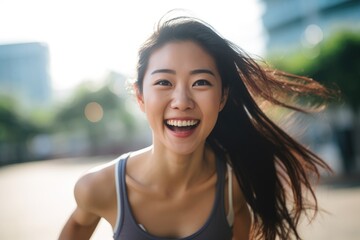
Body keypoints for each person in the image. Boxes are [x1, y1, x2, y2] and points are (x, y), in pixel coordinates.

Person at [59, 14, 333, 240]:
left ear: (222, 97)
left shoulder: (233, 186)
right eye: (164, 82)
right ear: (140, 96)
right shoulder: (99, 188)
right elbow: (78, 226)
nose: (182, 101)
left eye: (201, 82)